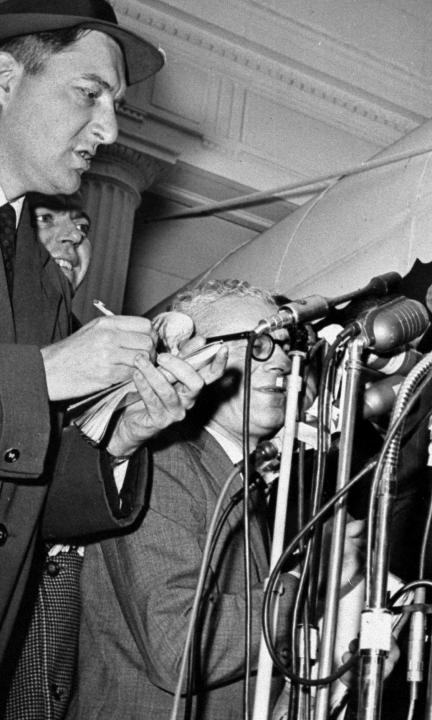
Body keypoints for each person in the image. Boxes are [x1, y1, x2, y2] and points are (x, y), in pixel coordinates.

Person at [0, 0, 227, 698]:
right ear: (4, 78)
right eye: (89, 94)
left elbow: (30, 499)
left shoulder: (38, 276)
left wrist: (124, 435)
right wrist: (46, 373)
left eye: (116, 104)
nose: (108, 128)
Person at [69, 280, 362, 719]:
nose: (282, 360)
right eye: (258, 342)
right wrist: (312, 577)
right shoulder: (162, 462)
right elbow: (178, 647)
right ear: (191, 360)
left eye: (285, 343)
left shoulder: (236, 477)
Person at [3, 193, 95, 720]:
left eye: (82, 226)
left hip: (51, 606)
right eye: (47, 220)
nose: (74, 237)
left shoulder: (91, 344)